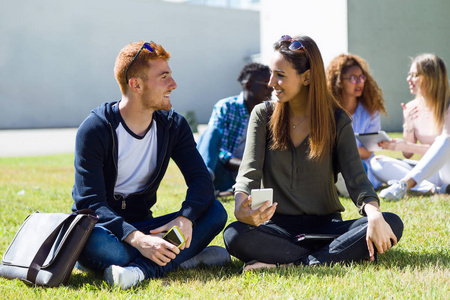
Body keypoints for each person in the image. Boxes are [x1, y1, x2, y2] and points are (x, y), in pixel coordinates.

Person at [222, 35, 403, 271]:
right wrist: (239, 204)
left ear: (306, 77)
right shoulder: (262, 114)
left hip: (328, 228)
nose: (270, 83)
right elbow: (249, 172)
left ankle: (290, 264)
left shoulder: (337, 120)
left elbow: (357, 180)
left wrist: (374, 213)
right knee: (235, 234)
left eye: (280, 75)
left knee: (391, 222)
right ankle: (327, 257)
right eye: (271, 73)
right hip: (278, 229)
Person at [72, 41, 229, 289]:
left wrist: (185, 218)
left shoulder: (173, 125)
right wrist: (138, 240)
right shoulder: (95, 129)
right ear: (136, 84)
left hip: (147, 225)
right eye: (164, 77)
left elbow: (201, 180)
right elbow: (89, 203)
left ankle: (140, 271)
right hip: (107, 231)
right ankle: (182, 259)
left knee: (215, 212)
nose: (174, 85)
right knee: (95, 244)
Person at [373, 53, 450, 201]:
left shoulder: (447, 105)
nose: (409, 79)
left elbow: (445, 148)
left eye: (414, 75)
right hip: (430, 172)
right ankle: (435, 189)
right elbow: (407, 155)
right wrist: (408, 126)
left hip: (448, 169)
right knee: (377, 163)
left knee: (445, 140)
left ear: (431, 77)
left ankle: (404, 184)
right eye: (409, 74)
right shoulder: (411, 107)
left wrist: (405, 146)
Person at [197, 63, 272, 194]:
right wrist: (249, 165)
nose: (271, 89)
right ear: (248, 85)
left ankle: (224, 192)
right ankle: (202, 185)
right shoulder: (226, 106)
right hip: (221, 172)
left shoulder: (270, 113)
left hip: (247, 178)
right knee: (211, 132)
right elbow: (221, 152)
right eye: (266, 84)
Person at [326, 54, 387, 195]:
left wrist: (340, 148)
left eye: (361, 77)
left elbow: (367, 152)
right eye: (353, 78)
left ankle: (339, 185)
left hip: (361, 168)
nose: (359, 82)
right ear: (339, 81)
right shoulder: (328, 111)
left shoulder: (371, 112)